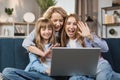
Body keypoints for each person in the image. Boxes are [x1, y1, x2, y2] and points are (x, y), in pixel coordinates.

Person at [61, 13, 120, 80]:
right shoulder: (65, 44)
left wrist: (89, 36)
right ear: (65, 26)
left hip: (99, 67)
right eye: (68, 23)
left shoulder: (86, 36)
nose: (71, 27)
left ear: (79, 26)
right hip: (85, 74)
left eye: (74, 24)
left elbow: (105, 48)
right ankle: (112, 76)